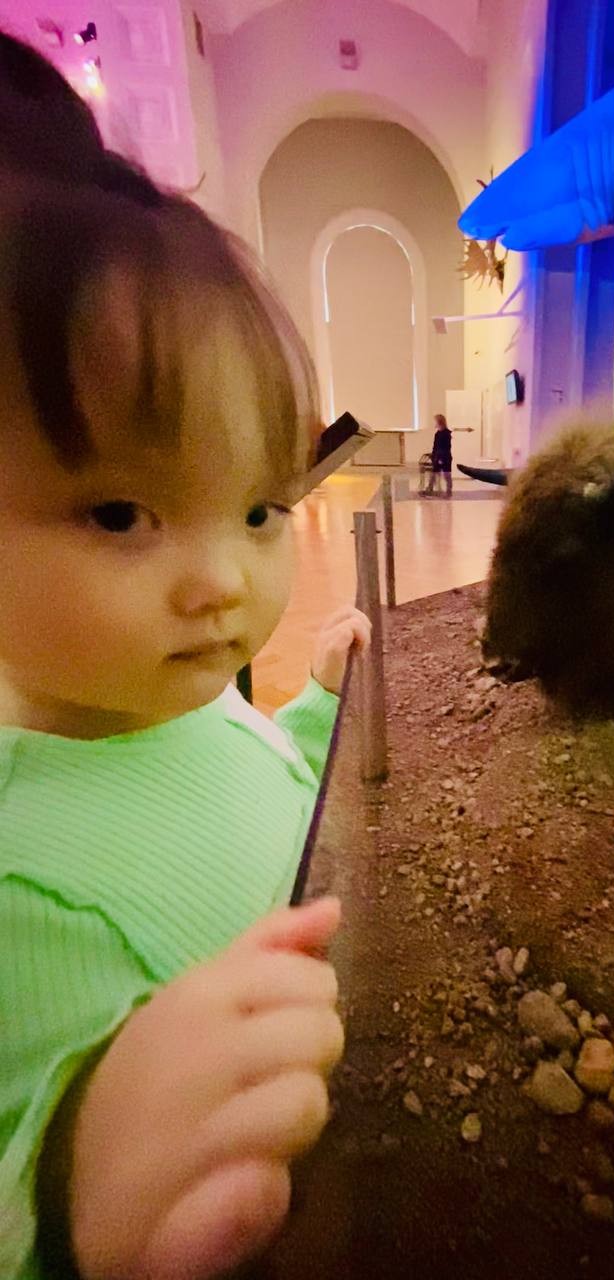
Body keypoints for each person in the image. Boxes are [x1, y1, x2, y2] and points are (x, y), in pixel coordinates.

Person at [0, 37, 370, 1280]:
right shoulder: (20, 891)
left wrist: (315, 713)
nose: (223, 581)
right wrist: (71, 1174)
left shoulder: (171, 694)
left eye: (258, 509)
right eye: (121, 513)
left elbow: (255, 785)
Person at [424, 412, 453, 497]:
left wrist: (441, 458)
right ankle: (430, 489)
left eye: (435, 421)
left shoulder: (446, 434)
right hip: (438, 457)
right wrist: (433, 456)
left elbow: (446, 447)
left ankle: (449, 491)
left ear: (439, 422)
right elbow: (435, 446)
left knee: (446, 475)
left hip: (445, 457)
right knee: (433, 474)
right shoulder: (437, 434)